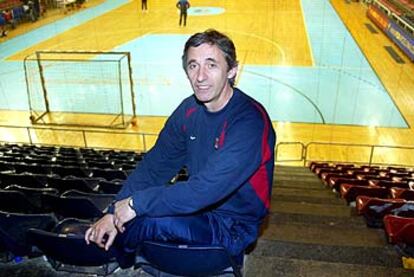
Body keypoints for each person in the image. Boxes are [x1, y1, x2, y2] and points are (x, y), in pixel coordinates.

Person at [85, 29, 276, 265]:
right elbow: (154, 168)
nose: (200, 77)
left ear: (232, 70)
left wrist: (135, 205)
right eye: (193, 65)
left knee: (145, 220)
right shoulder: (189, 110)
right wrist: (113, 211)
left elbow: (205, 189)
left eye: (211, 65)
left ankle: (111, 257)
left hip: (232, 224)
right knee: (135, 213)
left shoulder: (249, 122)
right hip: (198, 210)